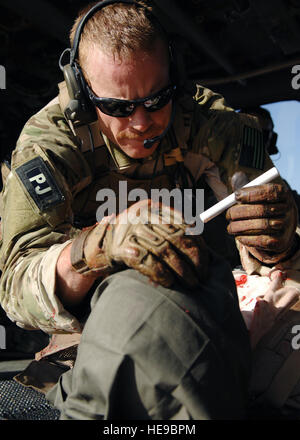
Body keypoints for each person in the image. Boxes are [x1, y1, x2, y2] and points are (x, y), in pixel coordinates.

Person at [0, 0, 299, 420]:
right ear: (84, 94)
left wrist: (279, 239)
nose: (142, 122)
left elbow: (277, 257)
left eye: (157, 99)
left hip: (220, 306)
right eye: (119, 107)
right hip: (93, 334)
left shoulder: (213, 127)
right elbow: (15, 291)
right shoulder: (50, 146)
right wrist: (96, 248)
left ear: (174, 79)